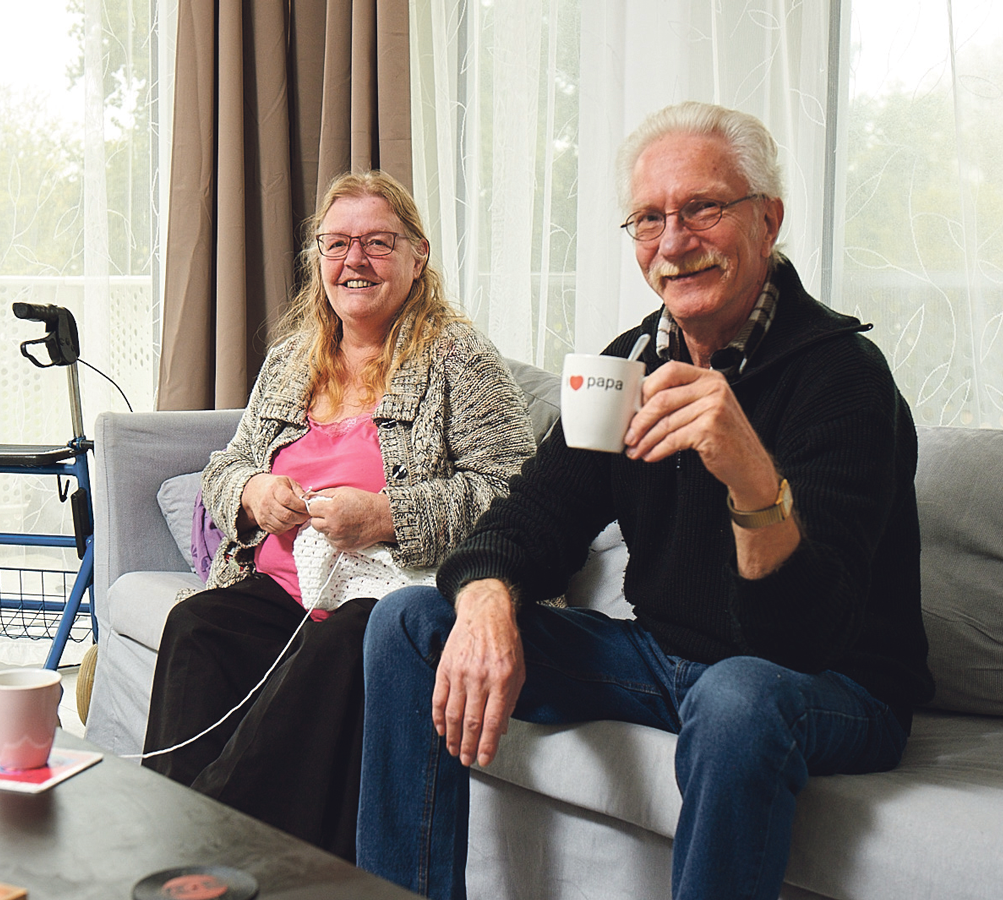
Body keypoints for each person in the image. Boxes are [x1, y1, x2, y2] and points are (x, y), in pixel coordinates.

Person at [356, 102, 935, 900]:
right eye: (649, 219)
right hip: (665, 662)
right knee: (409, 621)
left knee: (738, 693)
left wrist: (750, 476)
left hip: (830, 683)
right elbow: (530, 522)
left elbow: (801, 639)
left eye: (703, 208)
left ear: (768, 220)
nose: (673, 242)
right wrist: (486, 600)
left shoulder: (845, 378)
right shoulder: (628, 365)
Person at [141, 170, 535, 863]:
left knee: (346, 635)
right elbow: (224, 467)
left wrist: (387, 515)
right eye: (337, 243)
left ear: (417, 255)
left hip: (386, 600)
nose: (355, 260)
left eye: (378, 243)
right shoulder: (291, 361)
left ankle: (211, 855)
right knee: (199, 624)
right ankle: (175, 839)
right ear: (317, 256)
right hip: (283, 592)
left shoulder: (459, 359)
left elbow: (513, 491)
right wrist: (253, 491)